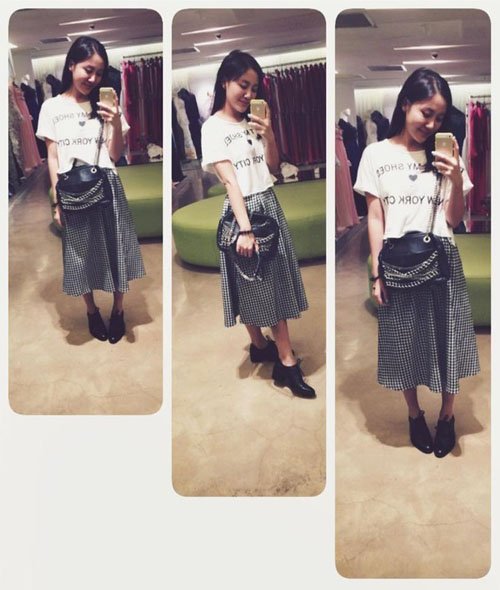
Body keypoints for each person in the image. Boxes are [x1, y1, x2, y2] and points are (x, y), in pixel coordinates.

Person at [354, 68, 479, 457]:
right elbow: (376, 217)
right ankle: (413, 414)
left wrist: (455, 178)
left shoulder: (447, 155)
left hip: (442, 258)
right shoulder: (375, 154)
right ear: (405, 103)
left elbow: (453, 220)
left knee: (448, 339)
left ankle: (447, 416)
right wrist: (376, 273)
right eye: (426, 113)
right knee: (403, 341)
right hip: (396, 260)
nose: (432, 124)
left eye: (439, 118)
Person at [201, 50, 315, 399]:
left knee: (272, 282)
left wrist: (271, 136)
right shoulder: (213, 127)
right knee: (248, 282)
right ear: (225, 81)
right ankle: (283, 359)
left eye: (254, 88)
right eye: (243, 84)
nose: (248, 93)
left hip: (268, 202)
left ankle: (265, 348)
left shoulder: (253, 121)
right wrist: (246, 228)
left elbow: (274, 168)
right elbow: (230, 182)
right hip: (243, 211)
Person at [37, 36, 145, 344]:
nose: (93, 78)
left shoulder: (107, 105)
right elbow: (53, 157)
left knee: (116, 247)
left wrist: (116, 120)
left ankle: (119, 310)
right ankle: (91, 311)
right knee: (79, 252)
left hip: (107, 184)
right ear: (71, 65)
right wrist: (56, 202)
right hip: (71, 188)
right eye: (88, 69)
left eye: (99, 72)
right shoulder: (51, 107)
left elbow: (115, 154)